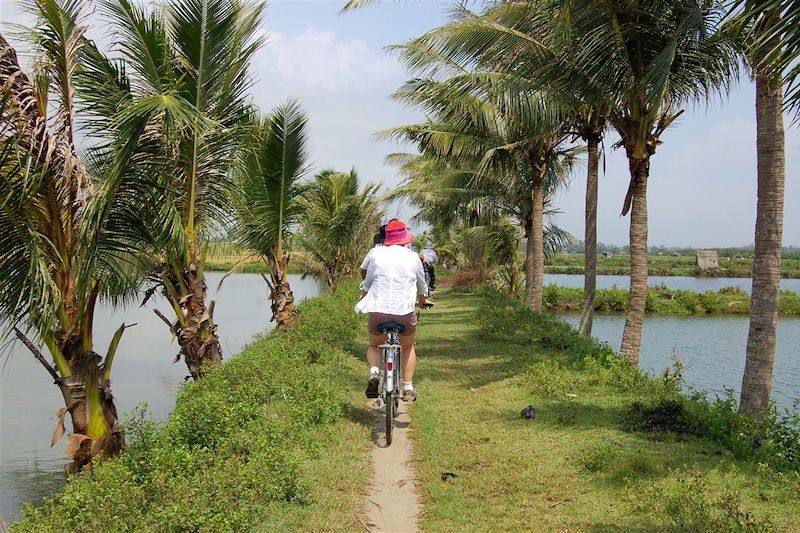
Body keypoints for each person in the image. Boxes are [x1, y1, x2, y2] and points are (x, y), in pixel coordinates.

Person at [355, 219, 433, 402]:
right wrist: (422, 301)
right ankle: (407, 388)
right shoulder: (413, 257)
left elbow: (367, 283)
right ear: (405, 239)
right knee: (407, 346)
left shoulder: (376, 253)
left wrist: (363, 295)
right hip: (404, 313)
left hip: (378, 311)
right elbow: (421, 286)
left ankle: (374, 373)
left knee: (374, 345)